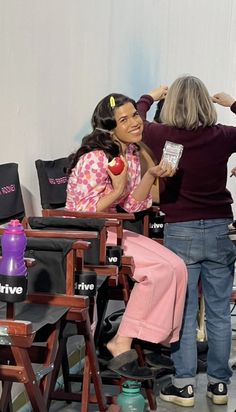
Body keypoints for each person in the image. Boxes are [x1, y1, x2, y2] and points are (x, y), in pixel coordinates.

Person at [66, 92, 188, 380]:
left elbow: (134, 206)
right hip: (89, 234)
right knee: (157, 270)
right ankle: (122, 342)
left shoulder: (130, 154)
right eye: (125, 119)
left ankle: (151, 340)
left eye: (135, 114)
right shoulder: (95, 159)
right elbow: (80, 214)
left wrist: (150, 175)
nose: (135, 122)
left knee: (177, 267)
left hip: (113, 228)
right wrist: (117, 190)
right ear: (110, 128)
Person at [136, 76, 236, 406]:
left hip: (180, 230)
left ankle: (184, 384)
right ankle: (220, 386)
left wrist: (150, 95)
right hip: (221, 228)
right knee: (220, 313)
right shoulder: (223, 136)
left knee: (183, 310)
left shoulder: (161, 135)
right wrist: (233, 103)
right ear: (207, 105)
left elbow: (138, 117)